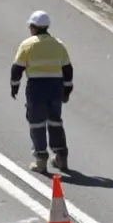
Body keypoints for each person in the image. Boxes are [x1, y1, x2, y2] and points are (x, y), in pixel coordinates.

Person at [9, 10, 74, 175]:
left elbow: (17, 69)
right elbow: (67, 70)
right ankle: (61, 157)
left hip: (36, 88)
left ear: (33, 27)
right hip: (55, 87)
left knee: (37, 123)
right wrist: (66, 91)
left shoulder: (28, 45)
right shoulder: (58, 44)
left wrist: (14, 86)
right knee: (55, 122)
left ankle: (41, 161)